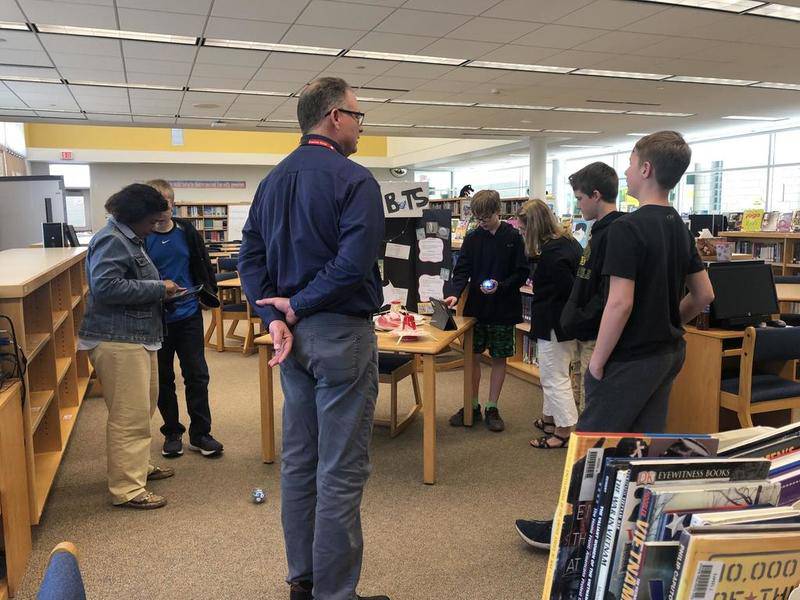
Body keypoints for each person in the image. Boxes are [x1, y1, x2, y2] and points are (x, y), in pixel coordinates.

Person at [515, 131, 715, 548]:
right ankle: (629, 530)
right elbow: (704, 295)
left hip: (629, 358)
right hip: (667, 353)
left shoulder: (628, 228)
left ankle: (567, 532)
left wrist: (597, 360)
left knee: (591, 446)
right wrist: (665, 319)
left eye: (630, 162)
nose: (625, 171)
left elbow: (619, 303)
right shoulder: (680, 226)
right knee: (642, 448)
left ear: (646, 169)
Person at [238, 77, 389, 600]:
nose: (361, 126)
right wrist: (296, 306)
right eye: (358, 116)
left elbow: (249, 258)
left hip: (289, 342)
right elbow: (354, 264)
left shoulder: (271, 182)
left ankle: (302, 580)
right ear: (334, 117)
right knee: (341, 469)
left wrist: (273, 315)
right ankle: (335, 594)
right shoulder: (355, 180)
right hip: (339, 335)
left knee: (300, 461)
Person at [78, 183, 183, 510]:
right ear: (136, 216)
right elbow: (106, 287)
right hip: (118, 339)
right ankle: (127, 489)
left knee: (142, 408)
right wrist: (158, 288)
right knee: (129, 416)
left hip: (137, 336)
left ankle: (136, 467)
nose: (154, 228)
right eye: (151, 222)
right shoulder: (112, 240)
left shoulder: (128, 238)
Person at [144, 179, 223, 459]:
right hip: (158, 319)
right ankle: (172, 432)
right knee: (164, 378)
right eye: (156, 203)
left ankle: (201, 433)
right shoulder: (141, 237)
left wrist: (207, 294)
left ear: (173, 203)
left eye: (166, 202)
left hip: (189, 314)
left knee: (197, 375)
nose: (163, 209)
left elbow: (201, 263)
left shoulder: (187, 231)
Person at [443, 189, 529, 432]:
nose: (481, 222)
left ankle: (492, 406)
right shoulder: (472, 238)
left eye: (486, 218)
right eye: (477, 218)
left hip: (504, 308)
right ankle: (472, 405)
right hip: (476, 309)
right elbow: (462, 271)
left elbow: (521, 272)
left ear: (497, 212)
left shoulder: (514, 237)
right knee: (472, 356)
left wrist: (501, 286)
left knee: (499, 358)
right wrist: (454, 293)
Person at [557, 162, 623, 415]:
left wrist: (583, 318)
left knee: (591, 404)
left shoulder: (615, 232)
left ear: (596, 195)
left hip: (596, 334)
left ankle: (589, 455)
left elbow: (609, 292)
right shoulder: (598, 230)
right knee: (583, 396)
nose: (578, 205)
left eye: (580, 198)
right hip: (585, 331)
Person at [517, 199, 582, 449]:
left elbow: (564, 291)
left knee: (555, 377)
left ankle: (563, 432)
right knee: (551, 373)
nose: (522, 234)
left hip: (555, 322)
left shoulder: (553, 254)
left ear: (534, 226)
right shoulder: (566, 243)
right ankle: (550, 419)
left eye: (524, 229)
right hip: (560, 321)